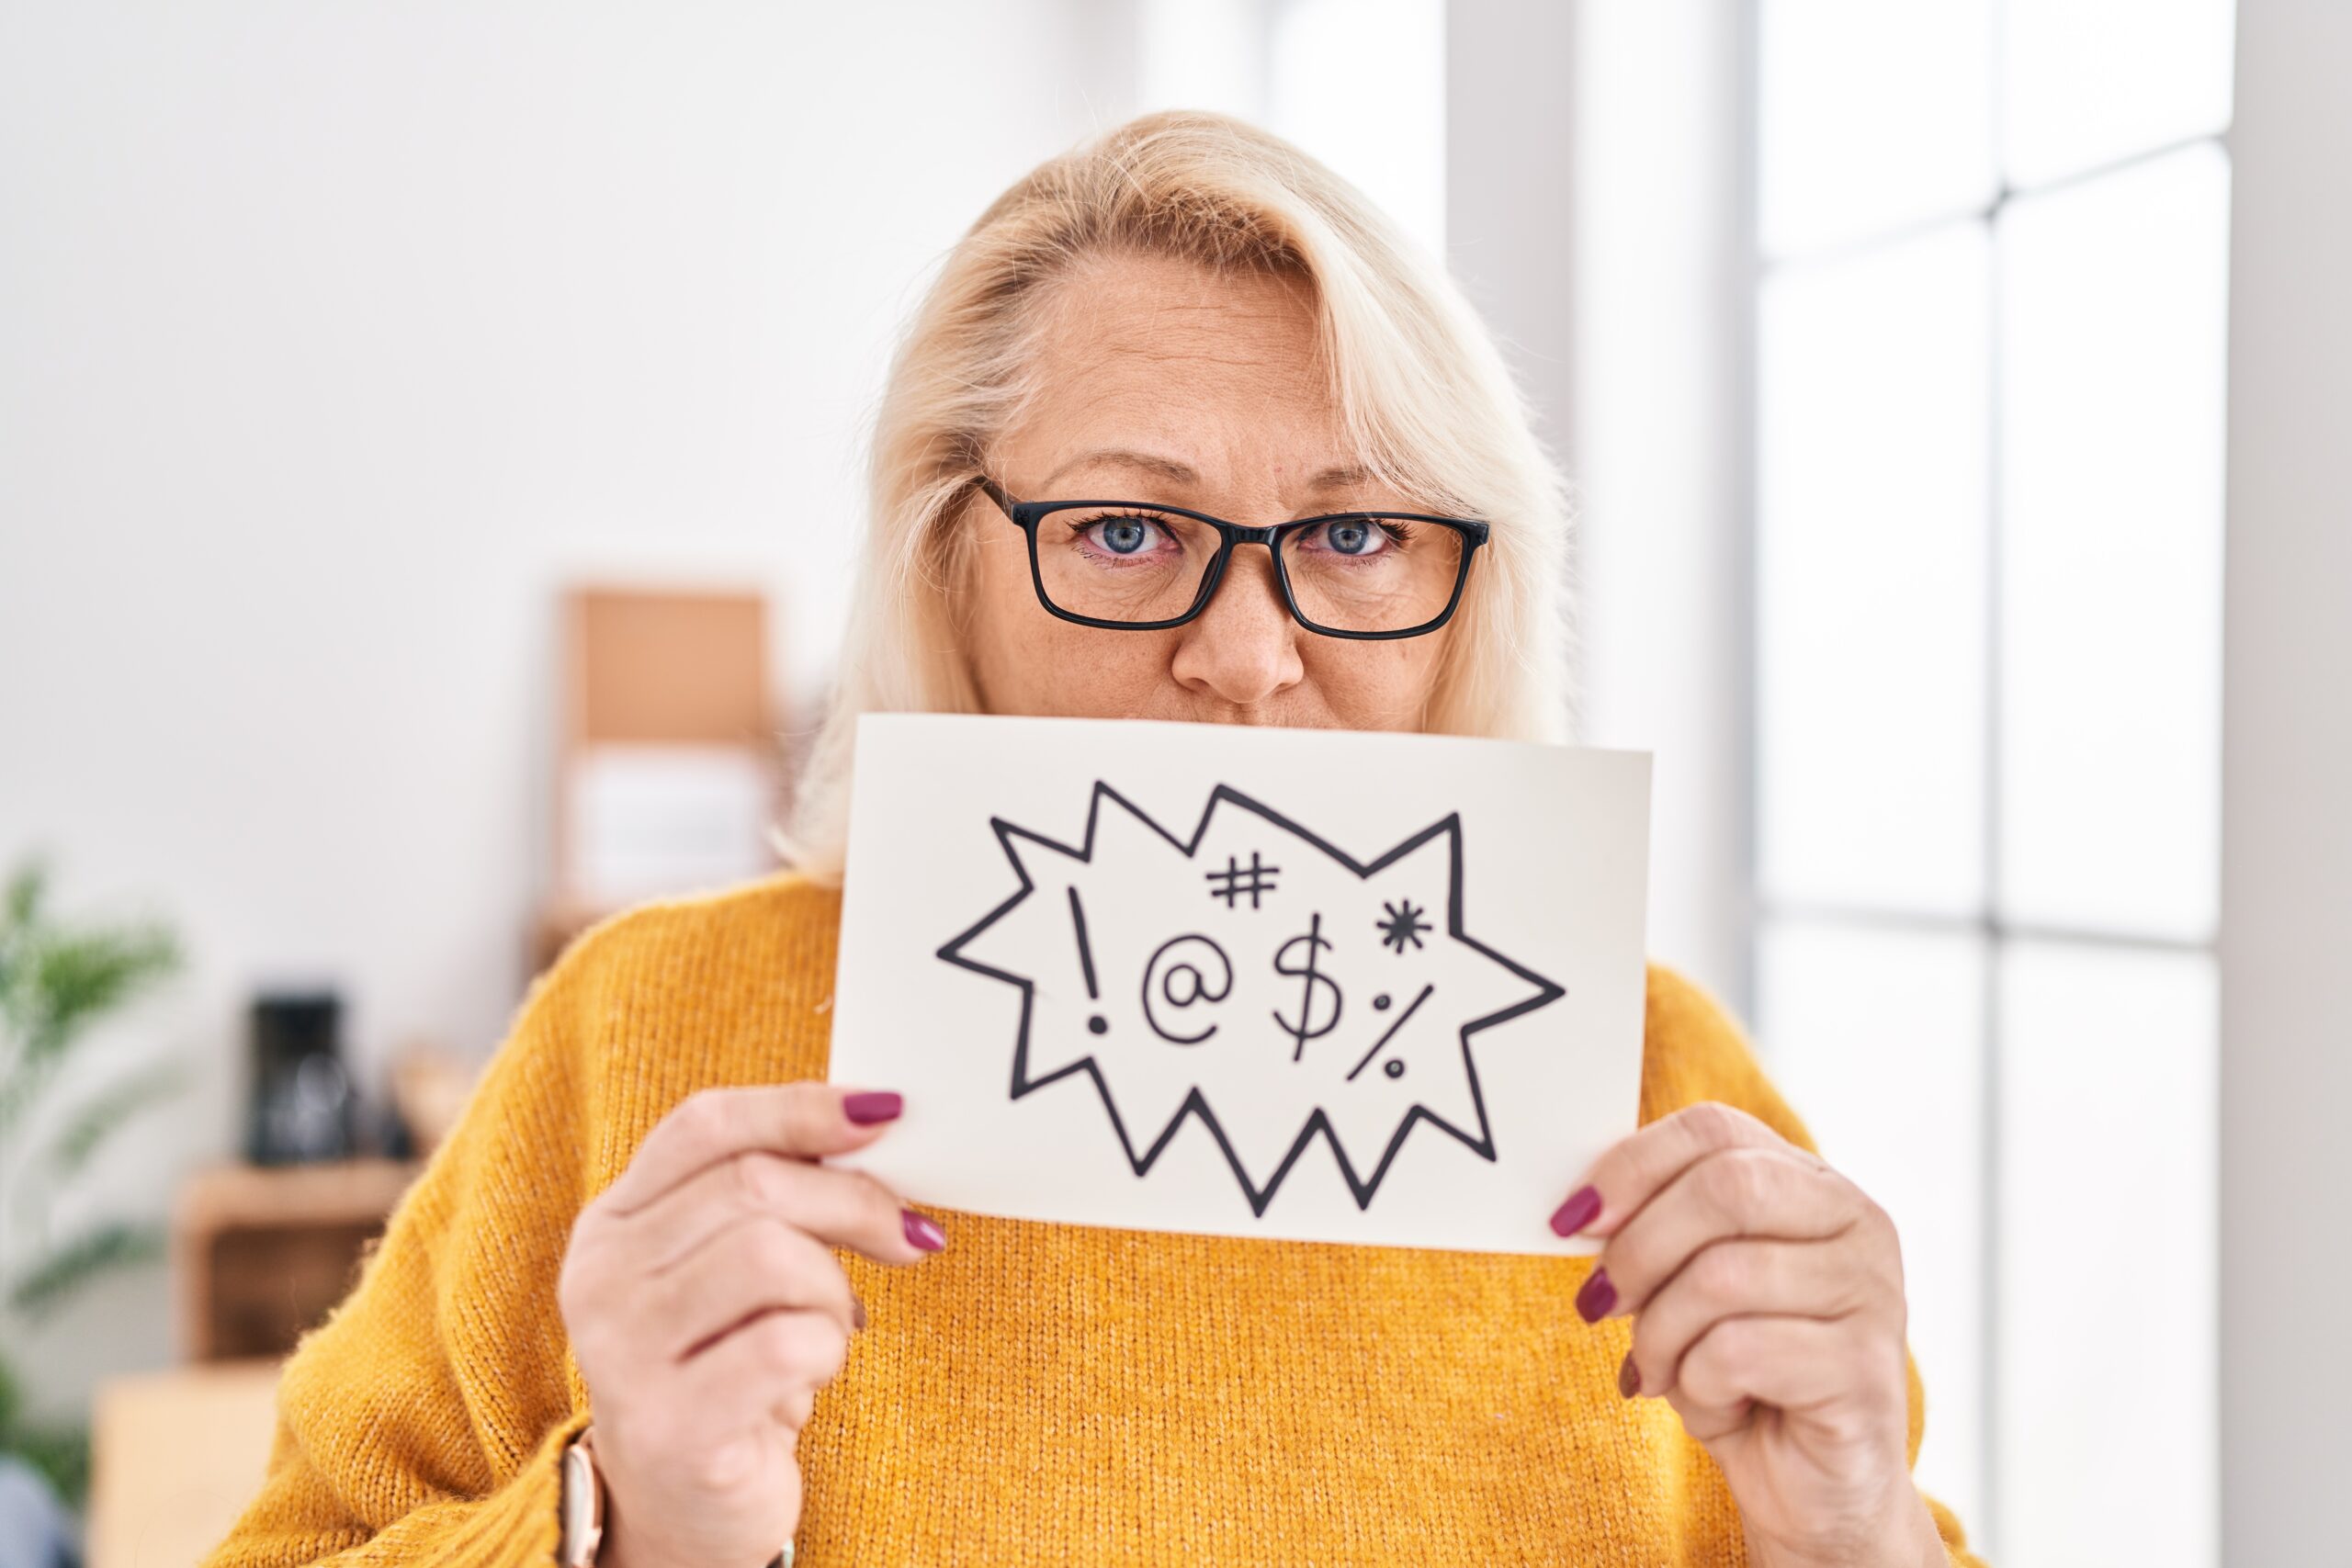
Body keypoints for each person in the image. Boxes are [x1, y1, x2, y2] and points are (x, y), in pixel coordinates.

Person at [202, 110, 1984, 1568]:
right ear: (947, 558)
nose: (1248, 654)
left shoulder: (1654, 1090)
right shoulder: (650, 1040)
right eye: (1128, 531)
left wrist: (1854, 1534)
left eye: (1356, 536)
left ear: (1469, 582)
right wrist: (619, 1522)